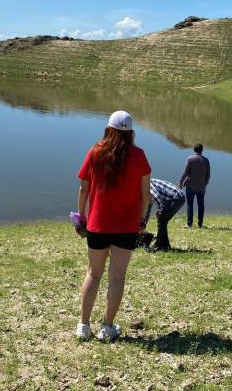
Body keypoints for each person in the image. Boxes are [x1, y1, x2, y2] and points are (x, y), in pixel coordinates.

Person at [75, 110, 151, 342]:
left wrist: (81, 216)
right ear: (131, 133)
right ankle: (107, 328)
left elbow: (84, 188)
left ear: (108, 129)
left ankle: (83, 326)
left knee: (93, 273)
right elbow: (146, 195)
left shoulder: (96, 151)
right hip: (126, 227)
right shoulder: (139, 155)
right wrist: (141, 220)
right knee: (117, 278)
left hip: (97, 225)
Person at [142, 178, 185, 251]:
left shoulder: (146, 185)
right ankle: (164, 244)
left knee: (162, 219)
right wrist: (143, 224)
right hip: (173, 198)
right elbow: (148, 208)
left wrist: (161, 209)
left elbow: (157, 196)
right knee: (162, 220)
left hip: (177, 197)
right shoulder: (145, 189)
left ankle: (159, 244)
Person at [179, 143, 210, 228]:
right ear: (202, 150)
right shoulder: (206, 160)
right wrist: (205, 184)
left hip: (190, 186)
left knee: (190, 204)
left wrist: (181, 182)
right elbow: (208, 175)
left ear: (194, 150)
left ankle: (189, 224)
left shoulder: (190, 159)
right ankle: (200, 224)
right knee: (201, 205)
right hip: (201, 186)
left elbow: (185, 173)